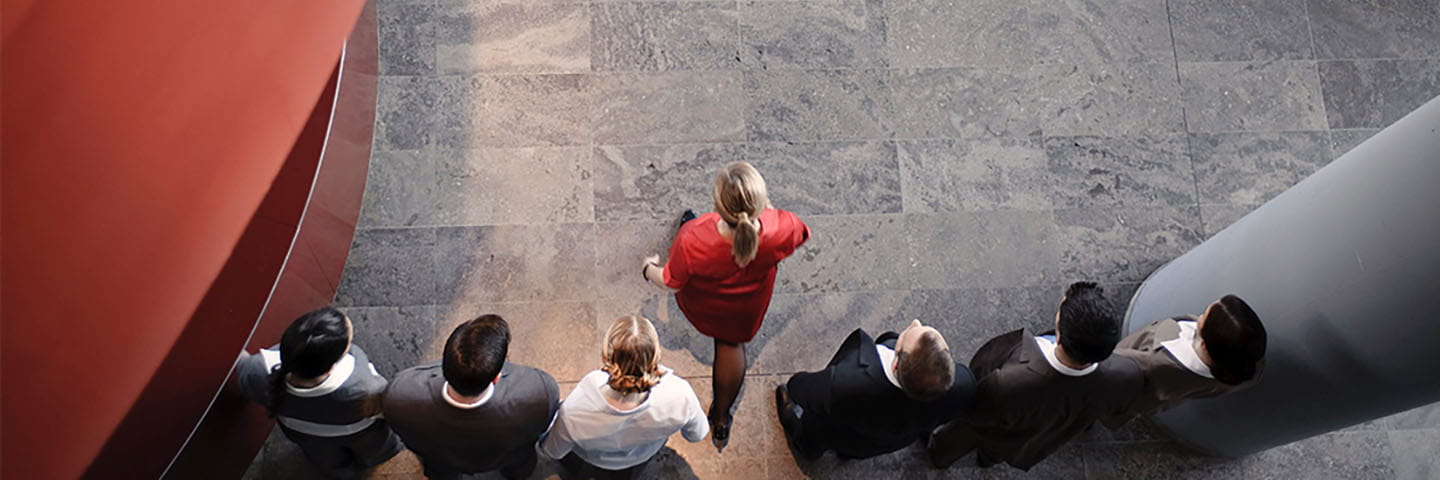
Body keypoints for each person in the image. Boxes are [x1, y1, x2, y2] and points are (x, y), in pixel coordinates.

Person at [641, 161, 810, 452]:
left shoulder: (692, 237)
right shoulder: (782, 227)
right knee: (731, 346)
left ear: (718, 205)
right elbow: (800, 234)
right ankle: (720, 419)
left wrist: (648, 269)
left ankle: (718, 419)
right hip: (746, 309)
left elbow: (670, 281)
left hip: (706, 306)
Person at [927, 282, 1144, 471]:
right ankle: (988, 460)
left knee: (959, 439)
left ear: (1059, 338)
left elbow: (976, 411)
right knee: (1000, 450)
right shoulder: (1126, 374)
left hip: (994, 428)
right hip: (1031, 441)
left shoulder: (1008, 383)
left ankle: (940, 459)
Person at [381, 314, 559, 480]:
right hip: (509, 460)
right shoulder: (540, 392)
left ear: (444, 365)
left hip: (442, 464)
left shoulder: (399, 396)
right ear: (496, 378)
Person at [234, 307, 402, 479]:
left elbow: (241, 374)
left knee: (328, 460)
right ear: (331, 366)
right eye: (348, 344)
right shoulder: (364, 388)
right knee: (375, 449)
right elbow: (388, 408)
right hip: (360, 434)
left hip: (305, 435)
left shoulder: (257, 370)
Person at [775, 320, 975, 460]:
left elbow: (802, 390)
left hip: (841, 431)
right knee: (856, 449)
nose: (915, 322)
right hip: (889, 441)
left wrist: (795, 384)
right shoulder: (964, 385)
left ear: (896, 365)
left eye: (906, 336)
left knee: (815, 432)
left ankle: (807, 447)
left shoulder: (847, 382)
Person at [539, 316, 709, 479]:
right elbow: (697, 434)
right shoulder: (681, 395)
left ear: (606, 356)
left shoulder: (575, 409)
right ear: (656, 356)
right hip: (639, 459)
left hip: (590, 460)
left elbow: (552, 450)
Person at [1106, 294, 1267, 426]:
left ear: (1204, 344)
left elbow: (1113, 363)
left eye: (1204, 316)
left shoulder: (1158, 360)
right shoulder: (1245, 369)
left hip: (1124, 391)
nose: (1199, 316)